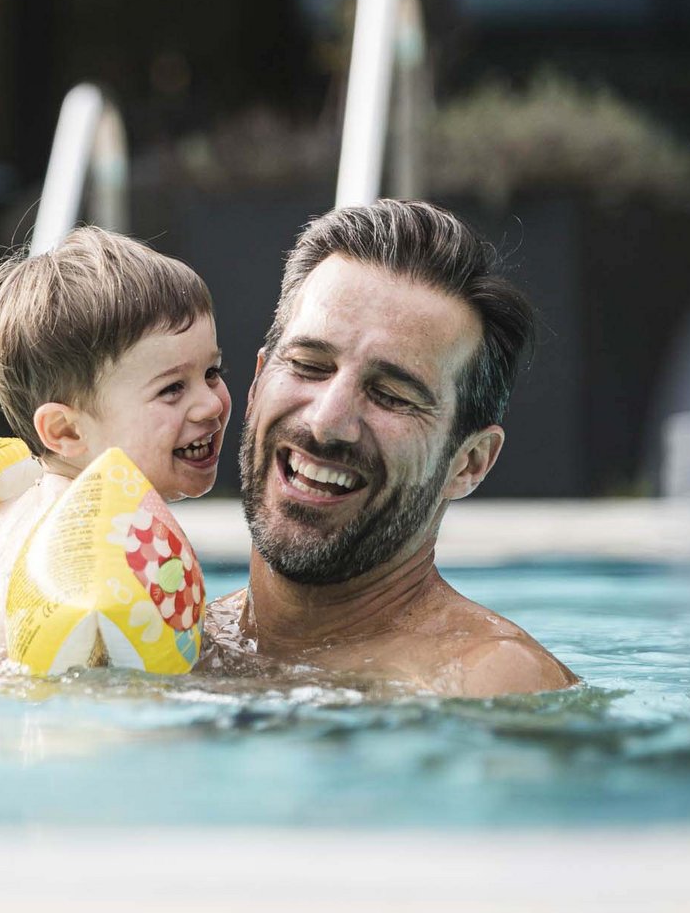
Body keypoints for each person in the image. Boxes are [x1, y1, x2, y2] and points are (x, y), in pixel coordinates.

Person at [205, 199, 578, 696]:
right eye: (309, 365)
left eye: (392, 395)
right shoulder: (180, 637)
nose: (326, 422)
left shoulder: (483, 681)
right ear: (255, 387)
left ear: (469, 462)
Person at [0, 226, 231, 662]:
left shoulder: (2, 511)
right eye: (172, 388)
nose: (210, 403)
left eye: (212, 372)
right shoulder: (98, 543)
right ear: (66, 431)